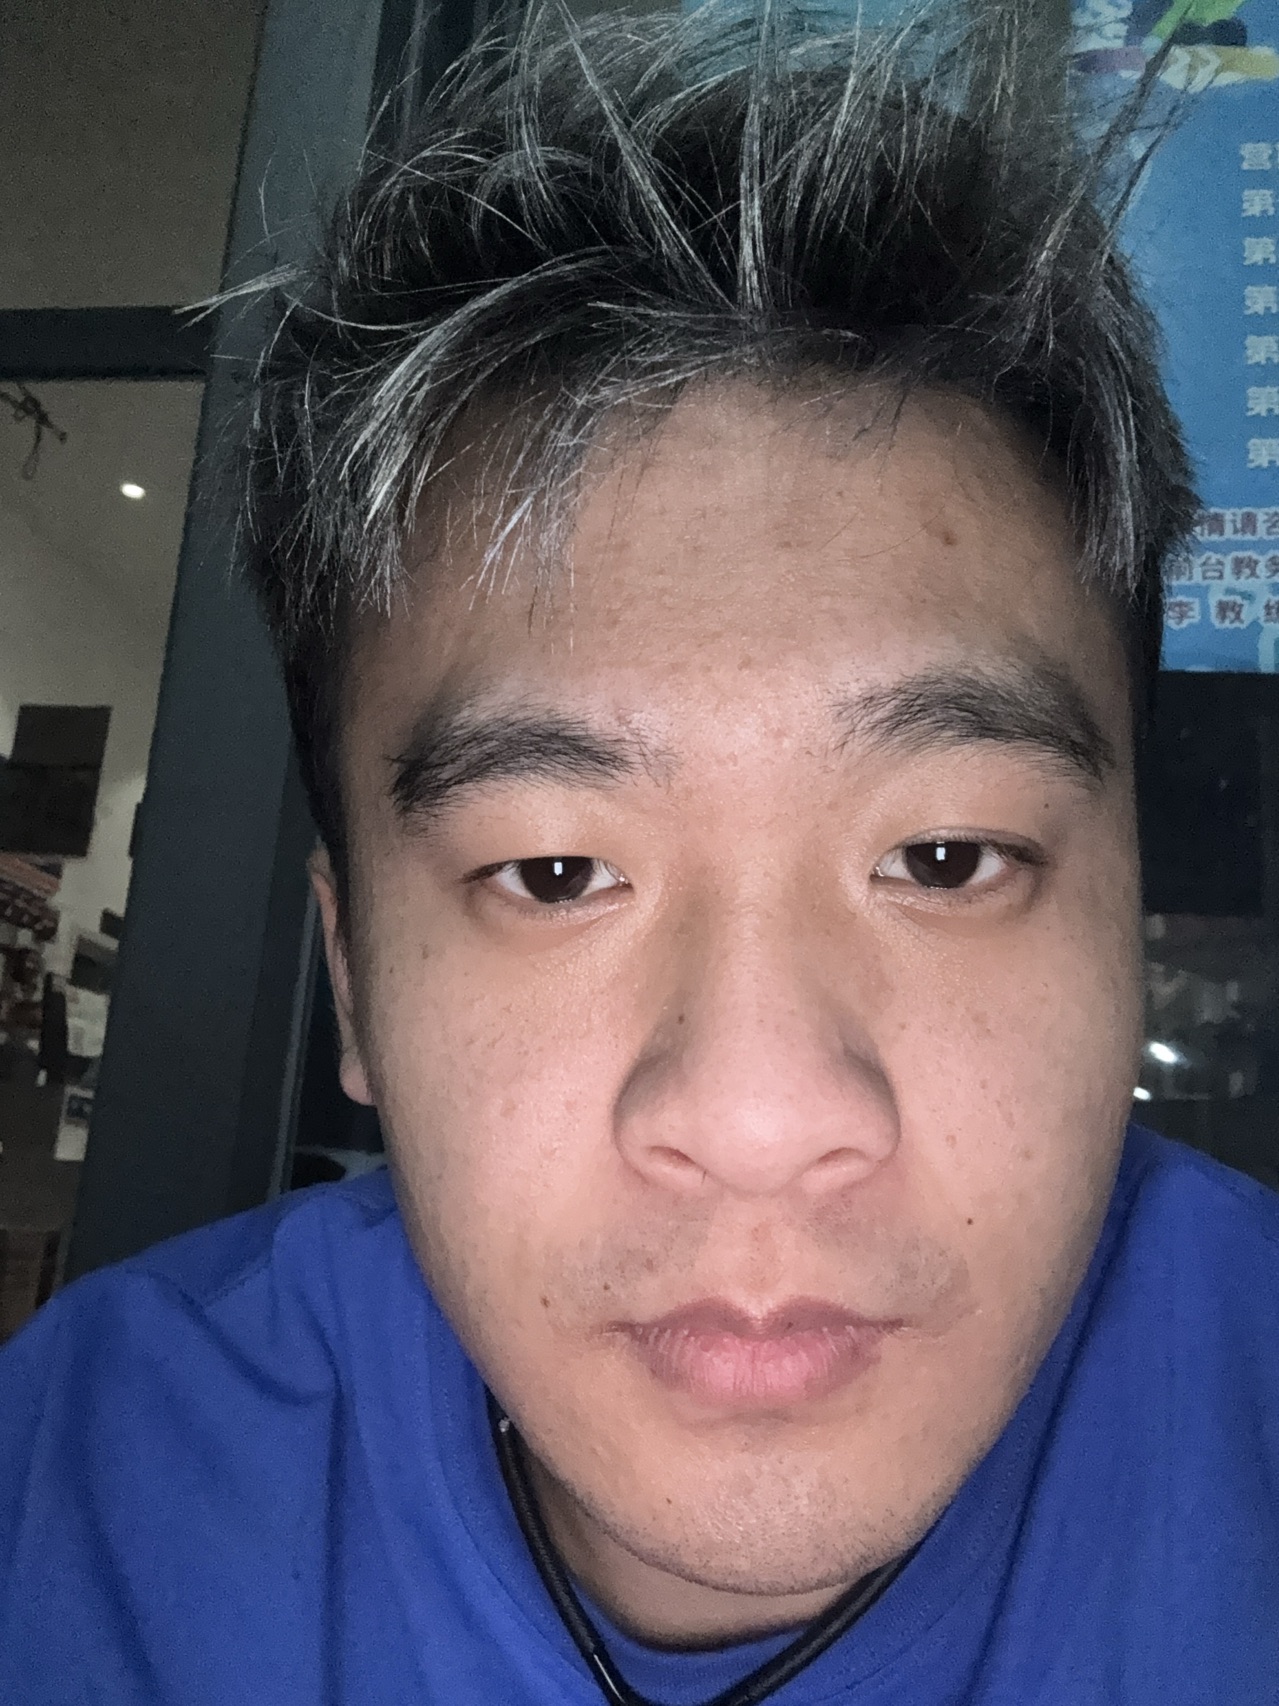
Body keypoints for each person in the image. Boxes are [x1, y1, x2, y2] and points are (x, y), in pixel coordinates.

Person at [2, 4, 1277, 1701]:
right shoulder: (83, 1492)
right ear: (353, 978)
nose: (759, 1117)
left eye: (945, 855)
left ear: (1130, 927)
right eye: (554, 874)